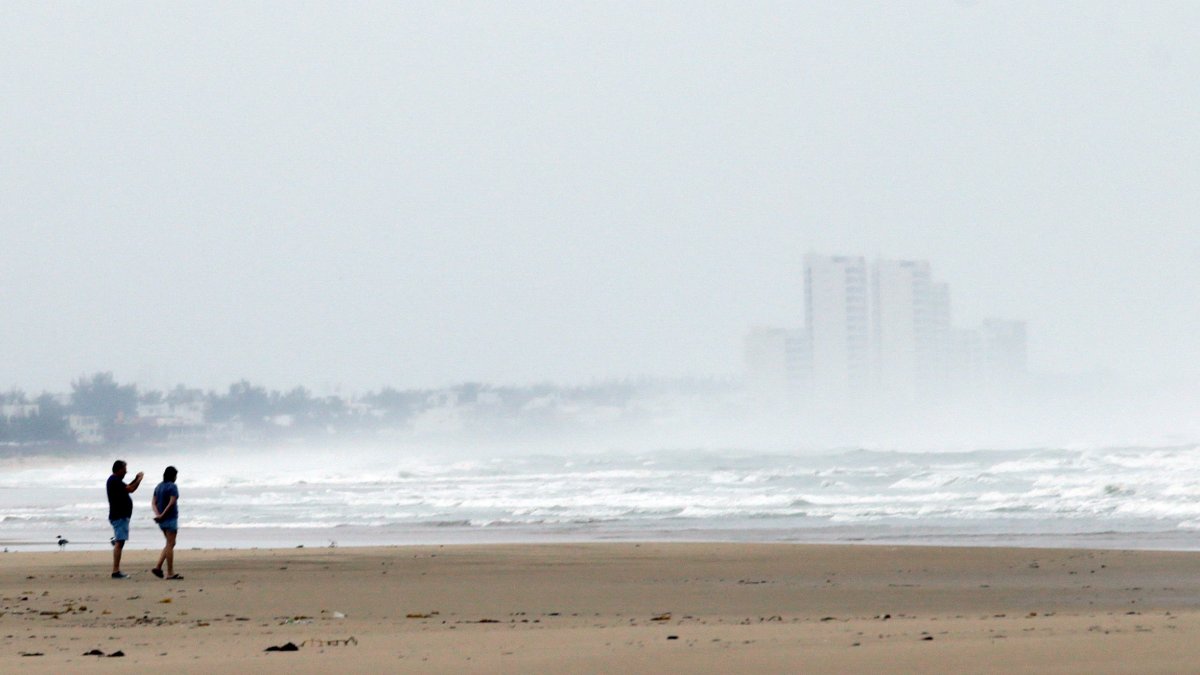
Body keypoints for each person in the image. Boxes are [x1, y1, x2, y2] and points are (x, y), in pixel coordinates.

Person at [106, 460, 143, 579]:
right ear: (119, 469)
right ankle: (115, 570)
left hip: (120, 515)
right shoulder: (114, 480)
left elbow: (128, 487)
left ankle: (116, 570)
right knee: (119, 542)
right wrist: (139, 480)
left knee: (120, 542)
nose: (126, 472)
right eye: (124, 469)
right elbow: (131, 489)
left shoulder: (116, 481)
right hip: (119, 515)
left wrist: (135, 479)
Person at [150, 466, 182, 580]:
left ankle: (158, 567)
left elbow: (153, 502)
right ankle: (170, 572)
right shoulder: (172, 486)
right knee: (170, 544)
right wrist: (162, 514)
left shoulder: (158, 486)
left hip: (161, 520)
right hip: (170, 518)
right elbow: (172, 502)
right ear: (173, 476)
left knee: (170, 543)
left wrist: (158, 514)